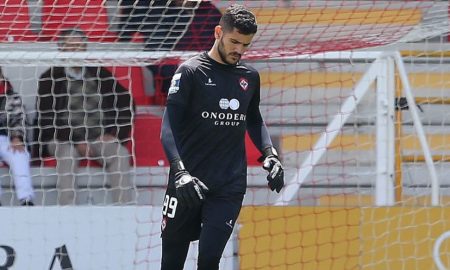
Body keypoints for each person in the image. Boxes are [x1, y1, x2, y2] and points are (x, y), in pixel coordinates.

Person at [159, 4, 284, 270]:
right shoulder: (190, 71)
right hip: (186, 182)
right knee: (171, 263)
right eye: (234, 41)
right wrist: (180, 173)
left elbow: (254, 119)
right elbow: (168, 127)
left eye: (245, 44)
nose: (239, 50)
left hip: (228, 186)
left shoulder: (249, 77)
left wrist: (270, 153)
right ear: (218, 32)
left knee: (208, 261)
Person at [35, 28, 135, 205]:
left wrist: (114, 133)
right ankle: (68, 210)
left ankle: (124, 208)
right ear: (61, 50)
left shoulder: (100, 74)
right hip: (62, 139)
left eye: (79, 46)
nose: (75, 51)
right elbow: (46, 118)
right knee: (67, 156)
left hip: (98, 138)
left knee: (120, 153)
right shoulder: (50, 78)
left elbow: (128, 103)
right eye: (70, 47)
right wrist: (76, 140)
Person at [0, 67, 35, 206]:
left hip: (8, 140)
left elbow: (19, 119)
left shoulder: (12, 96)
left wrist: (17, 138)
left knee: (20, 156)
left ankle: (26, 200)